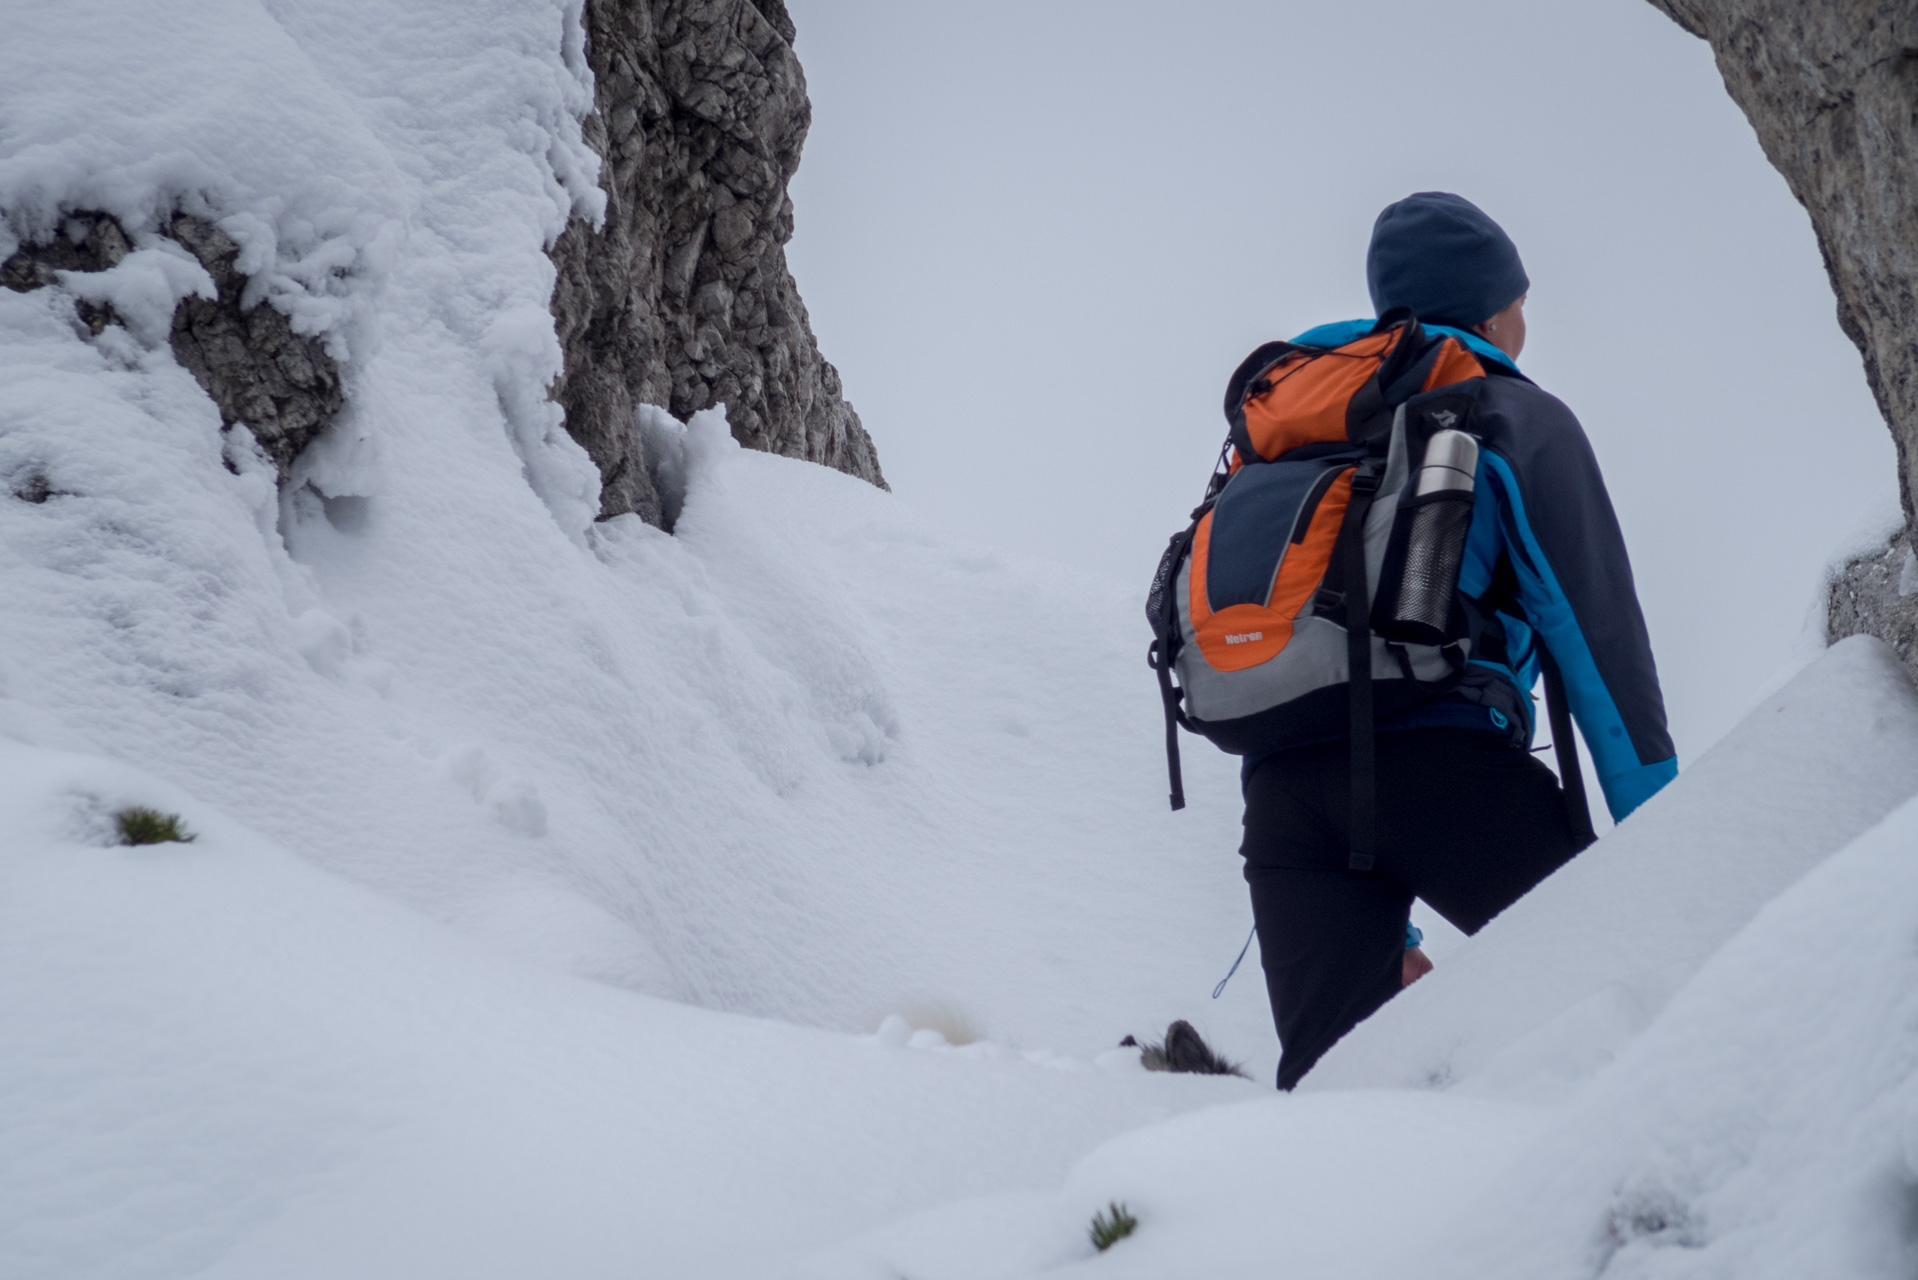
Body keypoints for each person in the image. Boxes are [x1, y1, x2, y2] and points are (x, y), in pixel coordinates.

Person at [1240, 192, 1677, 1090]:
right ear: (1489, 309)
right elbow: (1595, 637)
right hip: (1446, 770)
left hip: (1285, 801)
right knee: (1643, 997)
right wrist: (1669, 842)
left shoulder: (1290, 426)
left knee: (1332, 1094)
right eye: (1521, 295)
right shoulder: (1508, 413)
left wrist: (1381, 929)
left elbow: (1290, 658)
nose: (1527, 314)